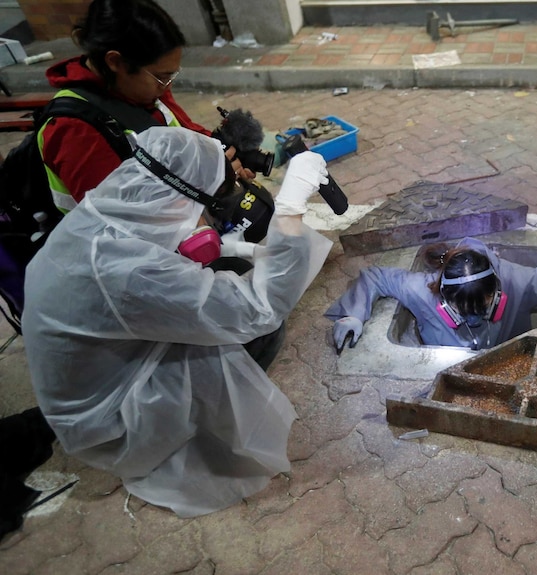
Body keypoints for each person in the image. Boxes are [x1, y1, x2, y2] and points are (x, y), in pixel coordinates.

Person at [21, 126, 332, 517]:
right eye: (204, 209)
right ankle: (188, 444)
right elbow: (257, 309)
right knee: (248, 335)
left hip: (89, 382)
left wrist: (240, 246)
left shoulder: (101, 215)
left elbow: (160, 256)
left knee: (229, 275)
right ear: (181, 199)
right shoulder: (126, 273)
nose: (204, 220)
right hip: (109, 425)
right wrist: (289, 211)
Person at [39, 0, 254, 213]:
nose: (167, 85)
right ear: (116, 62)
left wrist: (219, 155)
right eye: (162, 77)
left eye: (171, 75)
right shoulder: (74, 132)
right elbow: (127, 219)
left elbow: (182, 130)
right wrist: (210, 184)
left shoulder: (141, 88)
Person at [325, 237, 537, 372]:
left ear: (497, 290)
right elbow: (375, 276)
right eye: (464, 311)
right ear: (442, 297)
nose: (474, 319)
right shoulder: (421, 290)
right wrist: (354, 314)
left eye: (482, 309)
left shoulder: (514, 279)